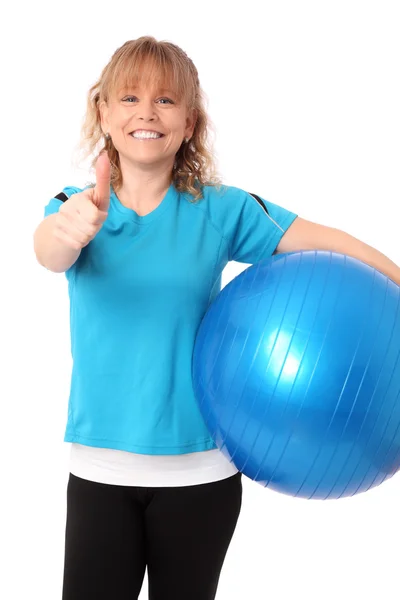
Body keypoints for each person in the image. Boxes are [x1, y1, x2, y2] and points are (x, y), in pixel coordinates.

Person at [33, 36, 400, 600]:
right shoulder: (73, 205)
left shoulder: (220, 208)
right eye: (128, 98)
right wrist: (68, 230)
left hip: (201, 474)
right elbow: (49, 251)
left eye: (165, 100)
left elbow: (324, 241)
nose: (146, 113)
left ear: (189, 122)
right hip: (101, 470)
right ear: (103, 112)